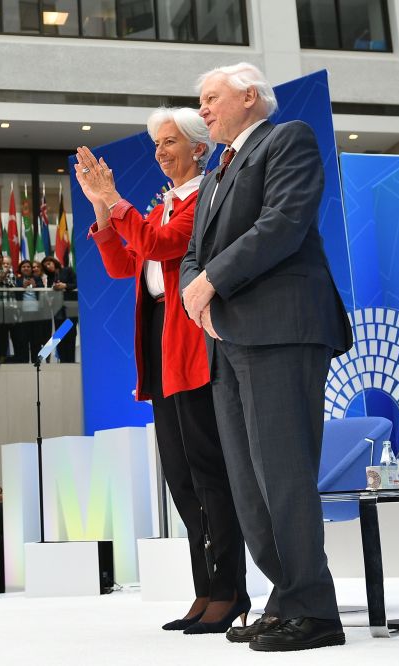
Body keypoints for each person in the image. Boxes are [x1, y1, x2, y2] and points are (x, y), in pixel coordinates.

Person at [180, 62, 353, 652]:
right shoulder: (214, 170)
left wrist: (212, 282)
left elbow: (282, 224)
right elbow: (192, 252)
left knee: (283, 474)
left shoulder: (288, 140)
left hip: (282, 331)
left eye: (210, 98)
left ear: (249, 96)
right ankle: (285, 600)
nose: (201, 110)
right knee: (249, 485)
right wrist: (190, 288)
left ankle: (315, 610)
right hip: (226, 341)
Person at [77, 105, 247, 634]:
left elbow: (158, 244)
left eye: (170, 142)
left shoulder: (206, 198)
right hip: (158, 342)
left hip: (192, 345)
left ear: (199, 147)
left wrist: (113, 200)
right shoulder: (163, 203)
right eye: (157, 144)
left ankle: (230, 590)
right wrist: (105, 213)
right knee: (179, 475)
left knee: (208, 471)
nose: (160, 152)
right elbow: (124, 264)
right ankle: (204, 590)